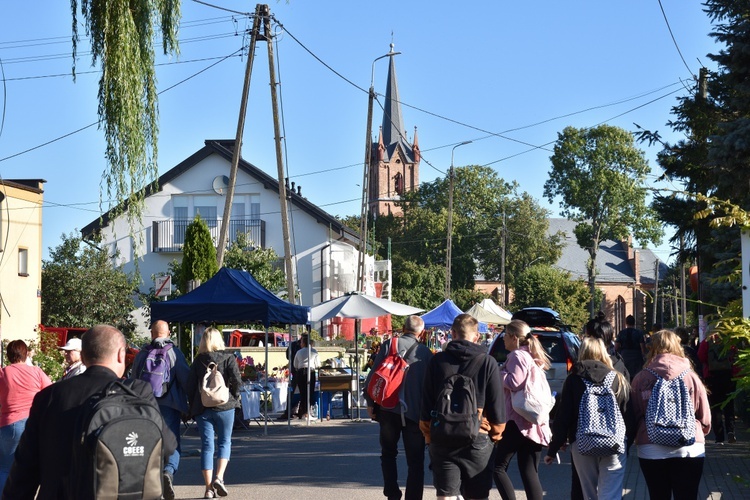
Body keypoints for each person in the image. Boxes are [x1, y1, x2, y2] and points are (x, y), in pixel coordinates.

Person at [3, 324, 177, 499]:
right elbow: (168, 446)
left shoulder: (50, 396)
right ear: (120, 354)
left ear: (83, 356)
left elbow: (24, 471)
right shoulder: (138, 392)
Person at [420, 314, 506, 500]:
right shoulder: (487, 362)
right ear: (476, 336)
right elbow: (497, 404)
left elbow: (426, 401)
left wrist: (429, 435)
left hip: (443, 435)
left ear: (452, 333)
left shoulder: (437, 361)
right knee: (477, 496)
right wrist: (495, 434)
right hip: (478, 435)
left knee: (446, 495)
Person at [544, 337, 631, 499]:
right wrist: (628, 442)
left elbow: (563, 416)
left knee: (588, 493)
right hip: (614, 443)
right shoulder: (618, 378)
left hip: (582, 441)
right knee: (611, 493)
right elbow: (627, 413)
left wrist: (554, 446)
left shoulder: (574, 379)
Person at [630, 330, 711, 499]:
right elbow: (704, 417)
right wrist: (700, 431)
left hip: (651, 446)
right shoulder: (691, 376)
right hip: (689, 446)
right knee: (687, 495)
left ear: (652, 348)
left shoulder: (641, 377)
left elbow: (634, 413)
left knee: (658, 495)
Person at [365, 315, 433, 500]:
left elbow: (373, 376)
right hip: (415, 413)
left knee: (388, 454)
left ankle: (392, 494)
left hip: (388, 409)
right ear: (422, 332)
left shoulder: (389, 345)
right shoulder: (425, 353)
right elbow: (430, 388)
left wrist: (370, 403)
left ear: (403, 328)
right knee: (416, 461)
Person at [131, 320, 190, 500]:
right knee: (172, 441)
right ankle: (168, 471)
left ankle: (151, 480)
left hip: (146, 404)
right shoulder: (174, 353)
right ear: (169, 332)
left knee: (149, 442)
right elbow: (186, 379)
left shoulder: (142, 354)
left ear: (152, 334)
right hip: (169, 405)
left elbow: (133, 378)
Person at [493, 319, 551, 500]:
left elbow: (514, 382)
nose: (502, 340)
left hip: (517, 421)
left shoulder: (517, 355)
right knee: (529, 472)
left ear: (513, 337)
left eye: (504, 336)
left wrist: (498, 373)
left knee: (497, 467)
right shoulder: (530, 355)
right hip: (532, 422)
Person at [186, 327, 242, 498]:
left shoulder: (198, 361)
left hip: (203, 408)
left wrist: (193, 405)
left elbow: (189, 386)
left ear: (203, 341)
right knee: (225, 442)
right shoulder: (228, 358)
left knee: (207, 447)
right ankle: (220, 477)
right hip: (226, 406)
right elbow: (237, 381)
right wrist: (235, 396)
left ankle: (208, 489)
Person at [0, 340, 51, 491]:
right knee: (34, 466)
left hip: (10, 424)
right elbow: (50, 392)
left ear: (8, 355)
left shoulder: (3, 373)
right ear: (26, 353)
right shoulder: (36, 371)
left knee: (5, 468)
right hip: (34, 423)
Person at [697, 330, 737, 443]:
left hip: (711, 377)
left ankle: (719, 437)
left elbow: (701, 357)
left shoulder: (706, 342)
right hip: (728, 376)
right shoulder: (729, 341)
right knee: (729, 405)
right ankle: (731, 431)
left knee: (715, 407)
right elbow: (735, 357)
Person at [293, 335, 321, 419]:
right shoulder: (314, 351)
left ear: (304, 343)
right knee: (310, 392)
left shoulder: (299, 352)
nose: (300, 344)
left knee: (302, 393)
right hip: (310, 371)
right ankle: (307, 413)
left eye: (301, 342)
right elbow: (318, 364)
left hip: (301, 372)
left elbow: (295, 364)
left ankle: (303, 413)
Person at [277, 334, 304, 420]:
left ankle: (297, 411)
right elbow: (288, 356)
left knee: (297, 392)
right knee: (295, 392)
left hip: (297, 370)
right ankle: (291, 411)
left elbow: (288, 356)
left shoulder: (295, 345)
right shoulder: (295, 345)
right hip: (297, 370)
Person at [615, 315, 646, 379]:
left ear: (626, 323)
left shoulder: (621, 333)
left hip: (624, 355)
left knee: (625, 375)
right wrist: (644, 356)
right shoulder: (639, 333)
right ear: (634, 323)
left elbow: (616, 347)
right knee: (636, 375)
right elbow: (642, 347)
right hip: (636, 355)